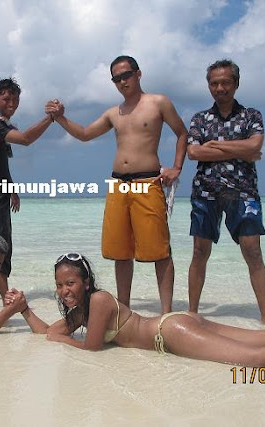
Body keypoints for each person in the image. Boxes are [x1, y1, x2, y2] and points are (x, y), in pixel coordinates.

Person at [6, 253, 265, 384]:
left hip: (169, 333)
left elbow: (93, 350)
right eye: (58, 285)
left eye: (70, 283)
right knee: (258, 339)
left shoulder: (98, 301)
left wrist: (63, 339)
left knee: (254, 358)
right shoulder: (81, 311)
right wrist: (24, 310)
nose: (64, 290)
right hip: (175, 323)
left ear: (85, 282)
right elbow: (48, 333)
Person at [45, 55, 188, 313]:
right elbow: (86, 134)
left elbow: (182, 133)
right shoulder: (114, 113)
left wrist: (176, 168)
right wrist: (61, 118)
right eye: (117, 78)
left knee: (160, 251)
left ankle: (166, 314)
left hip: (148, 180)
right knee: (121, 252)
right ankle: (124, 309)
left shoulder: (158, 103)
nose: (123, 81)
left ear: (138, 74)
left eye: (127, 75)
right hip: (118, 184)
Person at [186, 59, 265, 325]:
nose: (219, 87)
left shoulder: (251, 115)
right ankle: (193, 314)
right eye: (214, 83)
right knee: (200, 252)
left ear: (236, 83)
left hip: (243, 191)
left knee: (253, 252)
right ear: (208, 85)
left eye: (225, 82)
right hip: (205, 192)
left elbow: (255, 145)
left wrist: (216, 146)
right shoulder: (199, 118)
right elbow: (193, 152)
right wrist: (242, 148)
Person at [0, 77, 54, 300]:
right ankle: (6, 301)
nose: (12, 103)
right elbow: (26, 139)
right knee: (1, 247)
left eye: (16, 99)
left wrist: (11, 190)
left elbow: (1, 163)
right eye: (6, 99)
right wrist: (51, 118)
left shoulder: (2, 125)